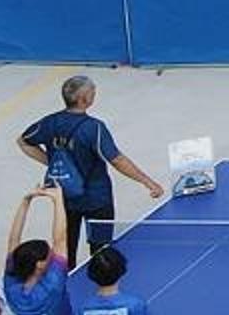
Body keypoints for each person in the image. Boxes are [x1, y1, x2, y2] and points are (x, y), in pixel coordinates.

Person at [21, 74, 165, 259]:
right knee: (101, 251)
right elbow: (116, 160)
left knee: (66, 249)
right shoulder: (93, 128)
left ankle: (67, 277)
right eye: (92, 92)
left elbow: (24, 142)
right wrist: (148, 182)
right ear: (83, 99)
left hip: (65, 196)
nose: (94, 93)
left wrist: (52, 162)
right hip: (97, 199)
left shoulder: (49, 122)